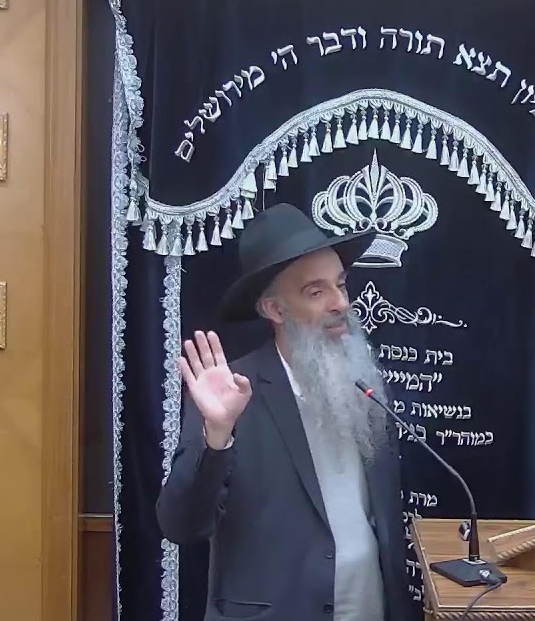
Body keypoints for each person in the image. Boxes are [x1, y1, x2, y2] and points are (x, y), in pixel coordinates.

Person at [157, 203, 411, 621]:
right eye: (316, 292)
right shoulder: (233, 393)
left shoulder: (364, 384)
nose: (340, 303)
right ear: (275, 310)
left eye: (341, 285)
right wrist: (217, 436)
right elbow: (181, 526)